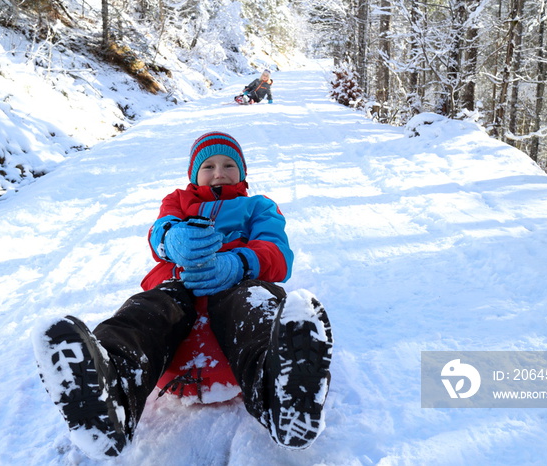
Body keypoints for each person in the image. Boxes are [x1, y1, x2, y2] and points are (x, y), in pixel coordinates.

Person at [32, 131, 333, 459]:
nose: (219, 172)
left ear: (243, 173)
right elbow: (159, 232)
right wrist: (172, 240)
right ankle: (111, 390)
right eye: (209, 165)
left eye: (229, 164)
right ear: (194, 174)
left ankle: (282, 389)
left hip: (237, 283)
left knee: (254, 309)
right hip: (180, 283)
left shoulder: (257, 206)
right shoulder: (177, 201)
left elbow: (277, 252)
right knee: (145, 313)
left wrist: (239, 262)